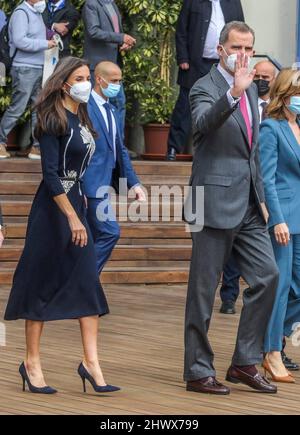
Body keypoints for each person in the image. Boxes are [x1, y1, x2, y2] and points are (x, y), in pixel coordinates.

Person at [4, 56, 120, 395]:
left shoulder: (81, 116)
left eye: (88, 76)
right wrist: (71, 216)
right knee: (40, 283)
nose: (87, 82)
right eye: (81, 77)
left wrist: (81, 205)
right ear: (64, 82)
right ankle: (31, 363)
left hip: (78, 204)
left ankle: (91, 363)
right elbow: (51, 176)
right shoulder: (50, 119)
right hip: (53, 212)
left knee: (87, 281)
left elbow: (80, 169)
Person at [184, 21, 279, 395]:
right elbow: (203, 126)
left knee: (268, 276)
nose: (244, 54)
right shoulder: (204, 87)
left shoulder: (254, 90)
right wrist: (232, 94)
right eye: (237, 47)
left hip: (249, 204)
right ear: (221, 49)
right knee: (203, 291)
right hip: (210, 200)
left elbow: (251, 149)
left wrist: (264, 200)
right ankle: (197, 370)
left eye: (249, 48)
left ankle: (244, 360)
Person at [220, 60, 277, 315]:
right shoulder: (243, 97)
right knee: (233, 250)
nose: (262, 80)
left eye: (267, 76)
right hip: (238, 183)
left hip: (263, 183)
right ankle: (229, 296)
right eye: (259, 75)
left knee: (267, 269)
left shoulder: (277, 109)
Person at [83, 61, 146, 274]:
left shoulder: (111, 109)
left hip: (104, 184)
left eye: (120, 81)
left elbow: (120, 149)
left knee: (91, 236)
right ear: (99, 79)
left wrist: (134, 183)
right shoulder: (84, 106)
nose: (117, 85)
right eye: (114, 81)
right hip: (89, 185)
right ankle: (85, 280)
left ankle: (81, 285)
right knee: (110, 232)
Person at [260, 68, 300, 382]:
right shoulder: (270, 128)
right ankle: (271, 352)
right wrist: (277, 219)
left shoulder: (298, 125)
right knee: (282, 285)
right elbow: (267, 178)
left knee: (294, 290)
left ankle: (273, 335)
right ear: (285, 96)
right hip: (285, 219)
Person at [166, 0, 244, 161]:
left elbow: (241, 30)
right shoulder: (193, 2)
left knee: (224, 102)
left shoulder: (233, 2)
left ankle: (215, 152)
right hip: (195, 62)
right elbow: (181, 30)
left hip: (224, 64)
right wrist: (182, 57)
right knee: (184, 107)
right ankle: (174, 148)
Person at [0, 0, 57, 160]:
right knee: (17, 108)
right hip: (24, 67)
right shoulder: (21, 13)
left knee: (38, 108)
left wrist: (51, 33)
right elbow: (19, 40)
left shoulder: (35, 13)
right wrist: (45, 43)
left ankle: (36, 148)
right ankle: (0, 142)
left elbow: (37, 33)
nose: (43, 1)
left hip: (38, 66)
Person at [82, 0, 136, 139]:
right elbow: (93, 31)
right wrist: (121, 37)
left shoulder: (112, 4)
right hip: (98, 66)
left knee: (118, 104)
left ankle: (117, 143)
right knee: (96, 105)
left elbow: (114, 32)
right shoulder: (91, 4)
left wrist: (122, 43)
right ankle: (98, 142)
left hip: (113, 65)